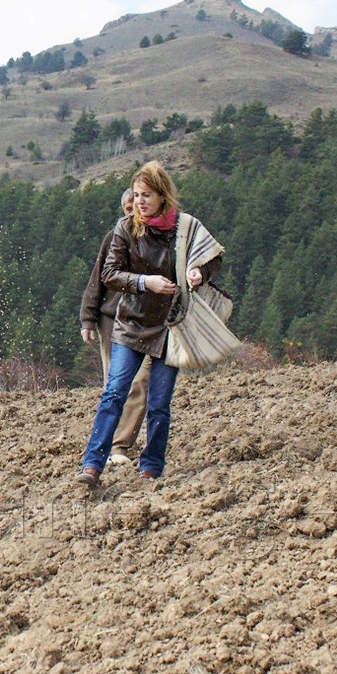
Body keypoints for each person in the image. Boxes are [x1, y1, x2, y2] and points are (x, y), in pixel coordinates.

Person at [76, 161, 222, 484]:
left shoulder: (185, 227)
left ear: (162, 195)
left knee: (159, 403)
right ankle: (92, 464)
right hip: (130, 325)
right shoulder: (125, 229)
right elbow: (108, 274)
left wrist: (200, 273)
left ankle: (151, 468)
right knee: (114, 393)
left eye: (146, 195)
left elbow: (213, 256)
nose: (140, 201)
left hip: (170, 327)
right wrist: (146, 283)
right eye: (137, 195)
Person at [79, 188, 150, 466]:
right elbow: (98, 278)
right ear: (125, 210)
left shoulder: (160, 240)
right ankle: (110, 445)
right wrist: (88, 317)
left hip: (148, 321)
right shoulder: (115, 237)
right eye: (131, 207)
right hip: (112, 319)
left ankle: (120, 444)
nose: (137, 211)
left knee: (142, 381)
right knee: (116, 384)